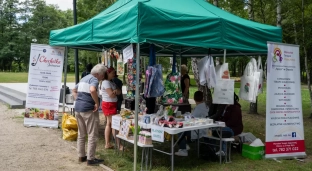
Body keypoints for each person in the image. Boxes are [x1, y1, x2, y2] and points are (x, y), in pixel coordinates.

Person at [72, 64, 105, 166]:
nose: (103, 77)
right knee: (92, 134)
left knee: (81, 134)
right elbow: (92, 90)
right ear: (97, 74)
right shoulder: (94, 79)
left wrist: (78, 99)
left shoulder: (84, 78)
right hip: (88, 110)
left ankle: (81, 156)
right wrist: (97, 103)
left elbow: (74, 90)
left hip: (78, 109)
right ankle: (91, 158)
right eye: (103, 75)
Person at [175, 91, 209, 156]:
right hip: (204, 127)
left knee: (180, 130)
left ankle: (183, 149)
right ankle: (185, 145)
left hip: (199, 129)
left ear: (194, 98)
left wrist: (185, 117)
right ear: (203, 98)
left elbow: (192, 119)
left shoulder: (198, 108)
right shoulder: (205, 106)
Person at [101, 67, 123, 150]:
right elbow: (112, 95)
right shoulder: (106, 82)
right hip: (108, 104)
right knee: (114, 124)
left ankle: (107, 143)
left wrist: (116, 92)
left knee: (109, 124)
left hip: (112, 103)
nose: (114, 74)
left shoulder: (112, 81)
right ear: (108, 74)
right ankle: (119, 145)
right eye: (113, 73)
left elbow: (119, 91)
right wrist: (115, 92)